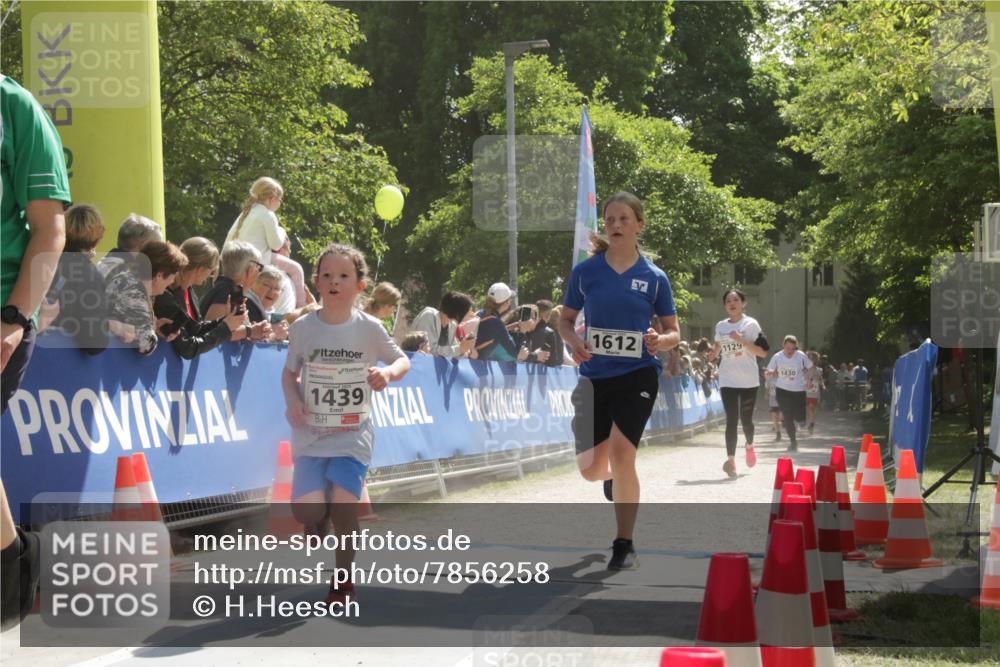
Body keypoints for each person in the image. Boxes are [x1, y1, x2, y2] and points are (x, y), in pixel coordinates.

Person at [282, 243, 410, 604]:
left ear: (360, 286)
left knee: (344, 511)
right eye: (326, 276)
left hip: (353, 434)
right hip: (311, 433)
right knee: (306, 510)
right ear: (317, 283)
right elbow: (289, 373)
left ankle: (342, 581)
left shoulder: (369, 328)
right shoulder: (304, 328)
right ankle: (315, 518)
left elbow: (402, 361)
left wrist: (386, 372)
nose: (334, 282)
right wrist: (292, 401)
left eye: (343, 276)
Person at [558, 192, 679, 571]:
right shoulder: (586, 273)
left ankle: (623, 544)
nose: (615, 226)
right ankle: (611, 478)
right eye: (610, 220)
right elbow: (564, 320)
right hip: (594, 377)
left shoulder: (655, 278)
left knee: (624, 453)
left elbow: (674, 331)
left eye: (624, 219)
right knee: (591, 468)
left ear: (639, 225)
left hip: (637, 374)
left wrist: (660, 341)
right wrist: (574, 342)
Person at [1, 74, 70, 630]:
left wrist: (13, 320)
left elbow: (49, 230)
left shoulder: (14, 106)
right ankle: (16, 568)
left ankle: (14, 572)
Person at [707, 288, 768, 478]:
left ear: (743, 303)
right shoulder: (720, 326)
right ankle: (731, 461)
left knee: (746, 419)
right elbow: (719, 345)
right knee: (731, 419)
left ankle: (749, 445)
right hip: (727, 378)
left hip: (749, 380)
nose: (732, 304)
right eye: (728, 301)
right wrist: (714, 354)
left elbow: (763, 352)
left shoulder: (751, 324)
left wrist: (741, 340)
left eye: (735, 300)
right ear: (725, 306)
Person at [153, 237, 246, 359]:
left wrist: (226, 320)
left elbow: (195, 328)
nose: (209, 277)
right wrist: (226, 327)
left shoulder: (188, 290)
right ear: (200, 270)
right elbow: (188, 347)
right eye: (211, 272)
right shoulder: (164, 294)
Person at [225, 176, 308, 308]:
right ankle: (301, 308)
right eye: (280, 200)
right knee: (297, 269)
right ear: (272, 198)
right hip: (259, 260)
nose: (280, 203)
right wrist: (281, 231)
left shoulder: (245, 213)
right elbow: (276, 244)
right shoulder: (268, 214)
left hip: (238, 261)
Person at [45, 204, 110, 354]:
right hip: (58, 362)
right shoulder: (89, 275)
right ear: (97, 238)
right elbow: (94, 342)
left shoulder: (40, 259)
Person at [105, 240, 188, 355]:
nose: (173, 281)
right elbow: (147, 345)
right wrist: (152, 326)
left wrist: (155, 326)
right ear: (159, 275)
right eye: (172, 276)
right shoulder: (135, 291)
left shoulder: (125, 278)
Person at [200, 241, 271, 342]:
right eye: (259, 267)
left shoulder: (228, 289)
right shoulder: (226, 292)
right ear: (250, 269)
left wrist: (254, 331)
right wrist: (250, 331)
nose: (259, 272)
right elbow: (210, 334)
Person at [765, 335, 815, 452]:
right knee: (787, 416)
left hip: (798, 390)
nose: (790, 351)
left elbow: (811, 368)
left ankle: (801, 419)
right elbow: (768, 371)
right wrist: (770, 373)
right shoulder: (777, 357)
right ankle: (793, 442)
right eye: (788, 348)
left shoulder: (800, 356)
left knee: (799, 416)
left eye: (793, 349)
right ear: (783, 346)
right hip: (782, 390)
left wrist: (809, 380)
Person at [474, 283, 528, 363]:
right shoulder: (497, 324)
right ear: (506, 302)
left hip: (469, 363)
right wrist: (523, 331)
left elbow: (488, 332)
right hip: (478, 366)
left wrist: (508, 328)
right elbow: (515, 353)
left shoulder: (480, 313)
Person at [96, 213, 163, 278]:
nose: (159, 253)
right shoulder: (128, 275)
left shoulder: (103, 264)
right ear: (143, 244)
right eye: (157, 247)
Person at [410, 291, 475, 358]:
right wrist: (459, 349)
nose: (473, 314)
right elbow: (429, 351)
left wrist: (464, 351)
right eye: (469, 311)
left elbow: (453, 354)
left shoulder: (452, 325)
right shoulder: (428, 316)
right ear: (458, 312)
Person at [247, 266, 290, 342]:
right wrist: (275, 335)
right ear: (253, 284)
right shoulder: (247, 306)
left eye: (277, 288)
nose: (272, 292)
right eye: (267, 285)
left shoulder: (275, 316)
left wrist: (283, 335)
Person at [805, 350, 824, 434]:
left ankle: (811, 424)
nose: (810, 359)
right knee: (808, 409)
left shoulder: (819, 370)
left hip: (814, 392)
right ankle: (810, 422)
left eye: (812, 358)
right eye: (809, 358)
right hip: (805, 391)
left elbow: (820, 380)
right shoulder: (804, 369)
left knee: (811, 408)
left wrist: (822, 384)